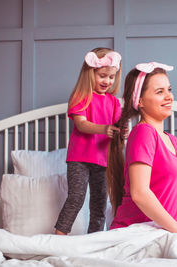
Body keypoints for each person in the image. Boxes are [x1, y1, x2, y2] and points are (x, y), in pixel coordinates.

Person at [107, 62, 177, 236]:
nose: (169, 96)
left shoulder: (174, 141)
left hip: (160, 232)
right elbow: (139, 193)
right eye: (160, 92)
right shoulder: (143, 133)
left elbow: (175, 189)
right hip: (136, 233)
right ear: (140, 101)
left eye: (169, 89)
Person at [55, 47, 127, 235]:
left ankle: (93, 240)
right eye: (102, 76)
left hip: (103, 161)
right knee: (76, 198)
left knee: (99, 204)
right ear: (90, 73)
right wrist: (105, 129)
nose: (107, 81)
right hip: (79, 159)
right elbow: (81, 124)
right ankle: (59, 236)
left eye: (111, 77)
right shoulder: (81, 96)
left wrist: (123, 131)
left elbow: (117, 126)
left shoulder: (113, 102)